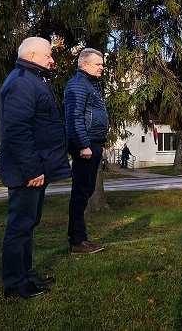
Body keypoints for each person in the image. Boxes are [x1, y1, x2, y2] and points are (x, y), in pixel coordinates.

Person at [0, 37, 71, 299]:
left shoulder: (32, 80)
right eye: (48, 55)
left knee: (28, 224)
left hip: (33, 169)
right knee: (19, 226)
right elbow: (17, 132)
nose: (52, 60)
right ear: (31, 55)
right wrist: (32, 170)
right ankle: (15, 284)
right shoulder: (21, 82)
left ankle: (25, 275)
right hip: (26, 173)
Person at [65, 48, 109, 254]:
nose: (102, 67)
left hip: (94, 144)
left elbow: (94, 117)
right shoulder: (77, 85)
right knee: (81, 192)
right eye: (97, 64)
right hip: (86, 144)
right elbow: (74, 118)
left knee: (87, 191)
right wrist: (84, 145)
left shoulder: (91, 85)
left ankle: (79, 238)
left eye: (102, 64)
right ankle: (77, 241)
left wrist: (101, 144)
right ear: (84, 65)